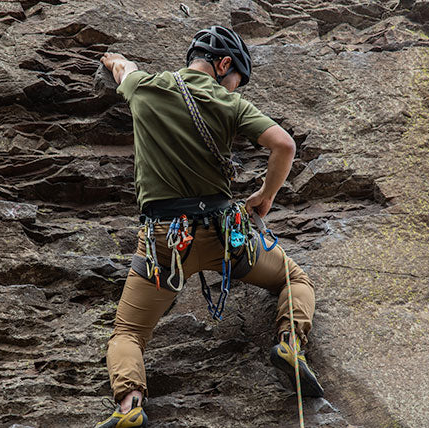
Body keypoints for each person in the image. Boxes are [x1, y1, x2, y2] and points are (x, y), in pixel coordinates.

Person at [95, 25, 322, 428]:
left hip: (164, 245)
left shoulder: (146, 87)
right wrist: (266, 196)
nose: (236, 88)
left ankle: (129, 406)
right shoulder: (229, 104)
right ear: (222, 64)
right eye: (237, 79)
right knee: (294, 279)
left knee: (127, 333)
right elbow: (284, 145)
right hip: (225, 239)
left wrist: (112, 59)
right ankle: (290, 345)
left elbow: (123, 69)